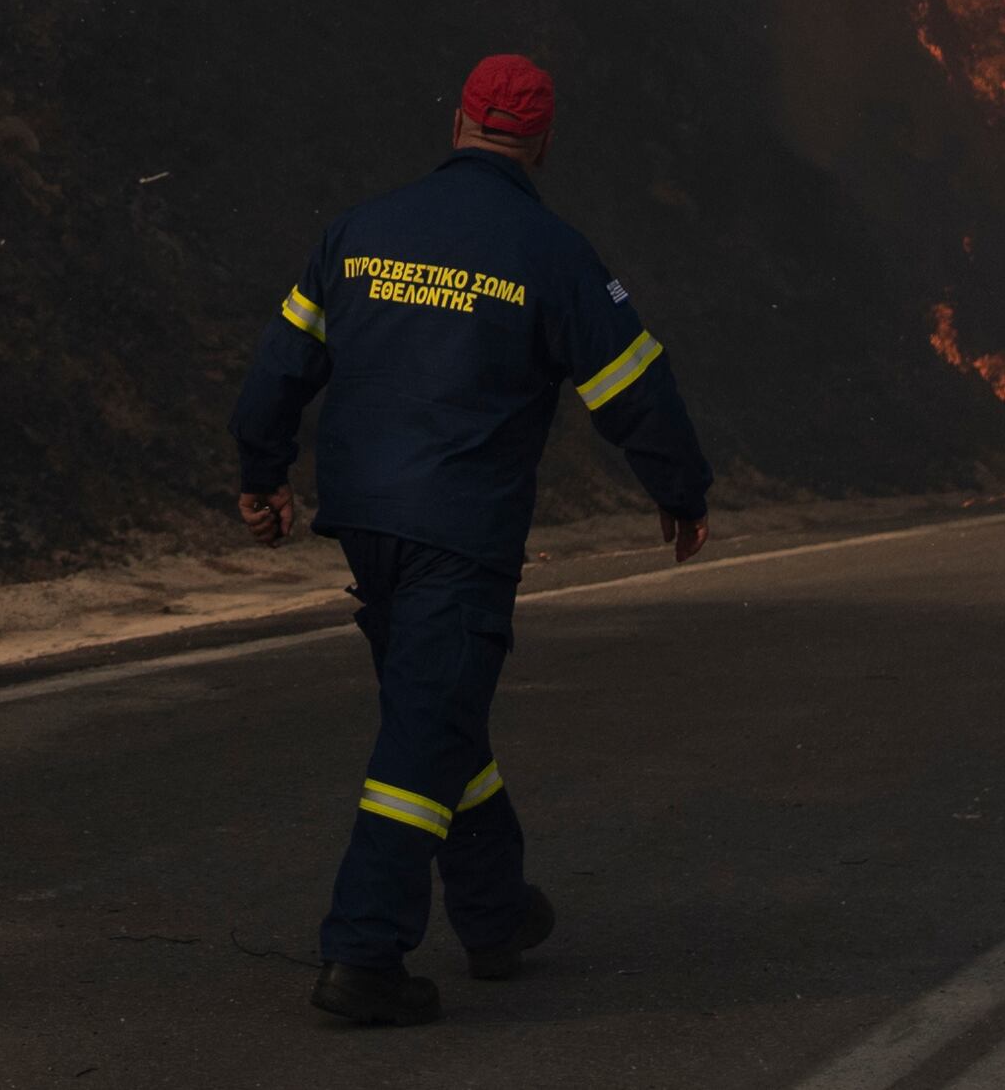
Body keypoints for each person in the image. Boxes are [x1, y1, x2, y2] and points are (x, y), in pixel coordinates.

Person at [231, 51, 713, 1027]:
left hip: (363, 519)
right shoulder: (550, 253)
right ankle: (364, 955)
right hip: (459, 529)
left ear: (457, 121)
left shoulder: (356, 231)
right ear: (537, 143)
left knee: (435, 707)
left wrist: (259, 475)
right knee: (426, 728)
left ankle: (493, 914)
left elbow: (280, 366)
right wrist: (680, 489)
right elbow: (632, 390)